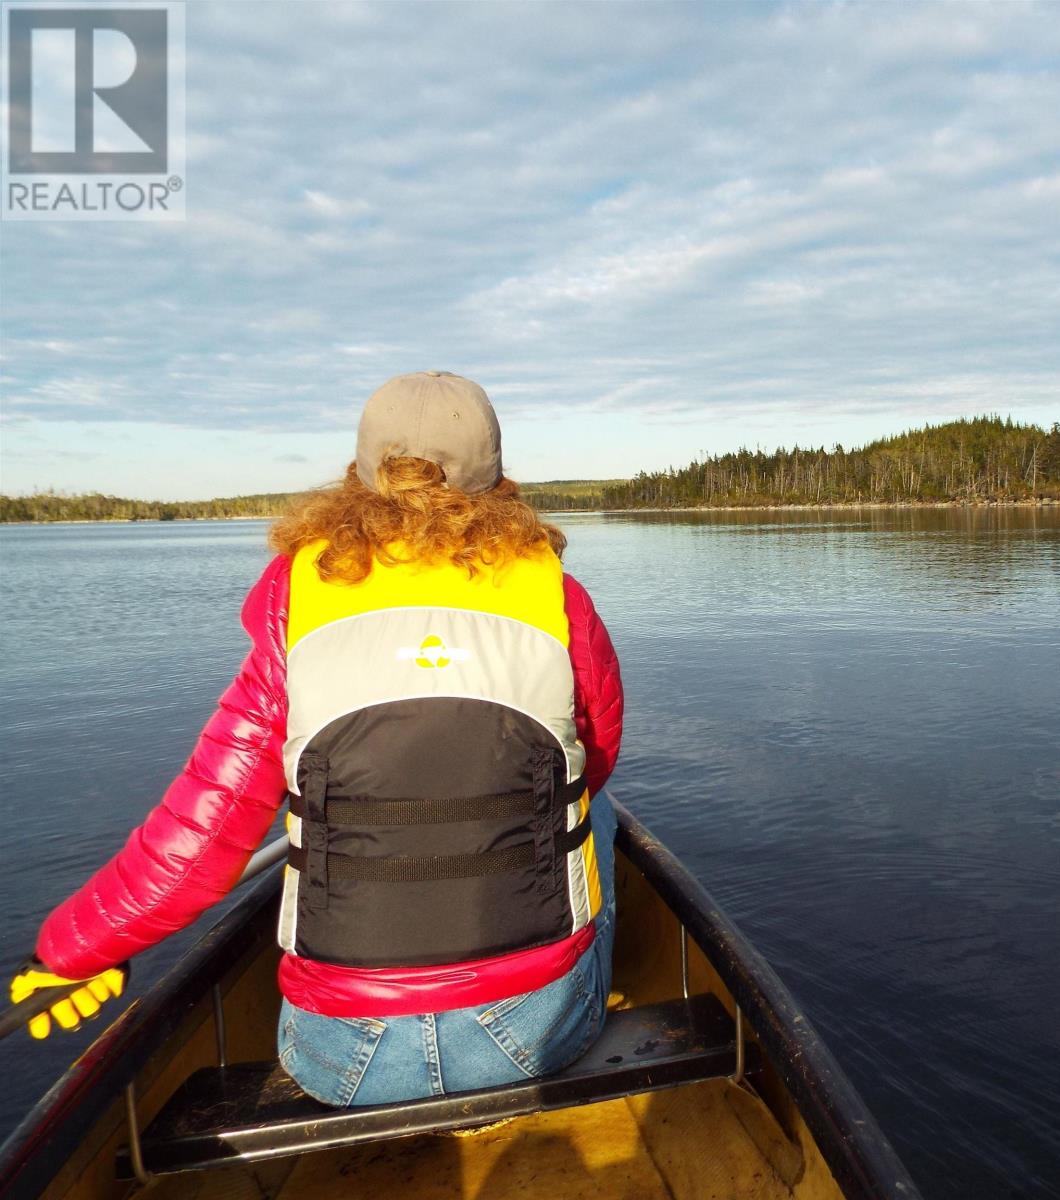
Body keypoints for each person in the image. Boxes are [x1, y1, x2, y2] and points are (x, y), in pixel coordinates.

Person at [8, 371, 624, 1106]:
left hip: (346, 1059)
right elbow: (596, 755)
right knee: (595, 811)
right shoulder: (558, 597)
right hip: (535, 1035)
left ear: (360, 473)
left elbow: (201, 836)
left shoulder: (295, 600)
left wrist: (73, 952)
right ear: (496, 478)